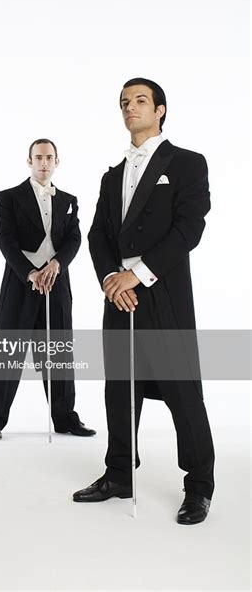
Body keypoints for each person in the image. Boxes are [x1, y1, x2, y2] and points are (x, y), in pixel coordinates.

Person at [73, 78, 214, 525]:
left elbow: (189, 228)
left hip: (164, 293)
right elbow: (97, 235)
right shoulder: (112, 175)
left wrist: (139, 273)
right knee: (119, 387)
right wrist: (112, 277)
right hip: (119, 295)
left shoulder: (188, 163)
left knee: (182, 391)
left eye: (139, 101)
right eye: (123, 103)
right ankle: (119, 474)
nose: (130, 108)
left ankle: (199, 486)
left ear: (161, 110)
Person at [0, 139, 95, 440]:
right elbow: (5, 240)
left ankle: (65, 418)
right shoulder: (7, 198)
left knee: (58, 351)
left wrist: (56, 265)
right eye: (38, 157)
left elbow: (74, 239)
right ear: (29, 161)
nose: (44, 162)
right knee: (9, 350)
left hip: (56, 283)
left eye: (49, 157)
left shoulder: (69, 199)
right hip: (20, 282)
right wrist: (30, 272)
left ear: (57, 161)